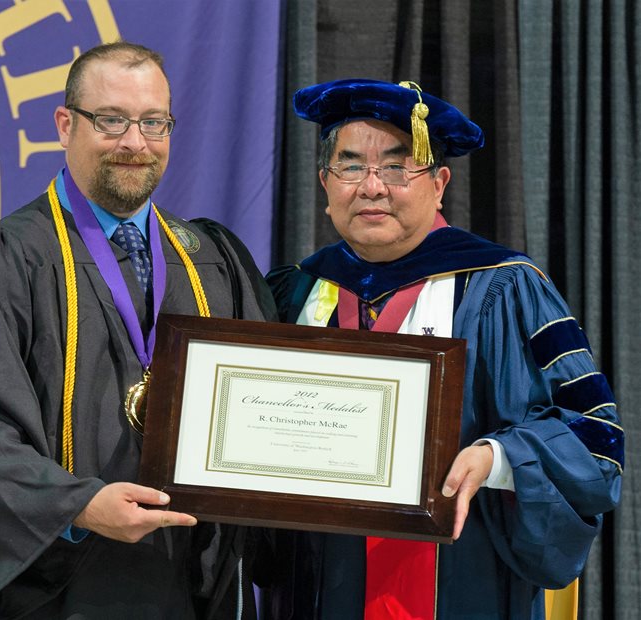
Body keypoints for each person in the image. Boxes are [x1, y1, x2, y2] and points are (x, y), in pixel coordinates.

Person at [0, 41, 276, 619]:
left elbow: (271, 403)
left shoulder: (211, 256)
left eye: (153, 122)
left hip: (186, 580)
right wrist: (79, 506)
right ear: (66, 124)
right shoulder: (5, 259)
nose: (135, 142)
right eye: (111, 120)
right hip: (62, 589)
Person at [261, 79, 623, 619]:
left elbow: (597, 438)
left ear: (439, 182)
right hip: (315, 585)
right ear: (324, 182)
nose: (372, 186)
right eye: (351, 165)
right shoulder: (292, 293)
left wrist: (498, 458)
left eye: (397, 167)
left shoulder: (504, 290)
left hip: (460, 583)